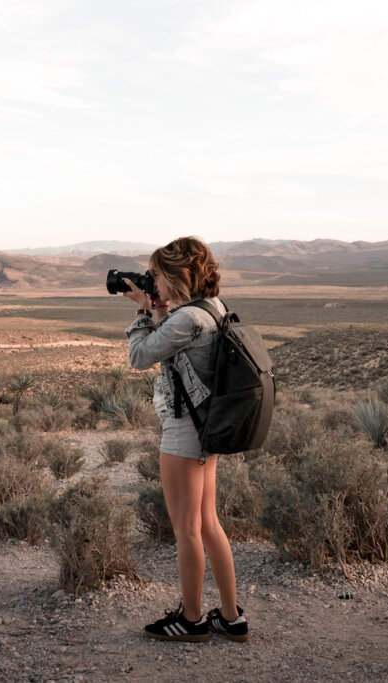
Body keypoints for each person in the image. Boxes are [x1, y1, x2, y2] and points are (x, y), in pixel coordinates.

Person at [121, 236, 248, 643]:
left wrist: (144, 311)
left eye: (156, 275)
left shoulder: (187, 319)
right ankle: (230, 617)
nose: (152, 281)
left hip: (184, 432)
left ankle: (191, 620)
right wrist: (160, 308)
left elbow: (140, 357)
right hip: (208, 428)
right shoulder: (212, 309)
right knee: (209, 524)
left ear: (175, 274)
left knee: (187, 530)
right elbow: (177, 349)